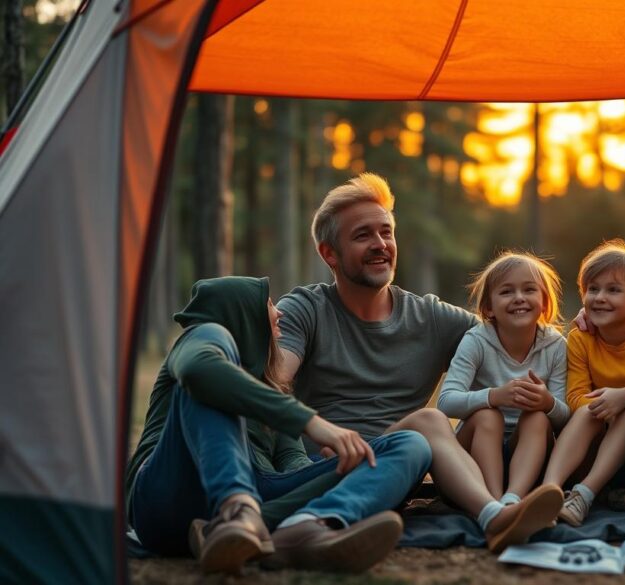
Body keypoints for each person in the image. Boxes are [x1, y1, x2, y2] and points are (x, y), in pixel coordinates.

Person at [276, 173, 562, 553]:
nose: (381, 245)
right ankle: (495, 517)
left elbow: (509, 328)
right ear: (329, 253)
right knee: (431, 419)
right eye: (363, 236)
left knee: (423, 431)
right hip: (327, 467)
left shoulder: (432, 318)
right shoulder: (304, 309)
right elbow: (273, 383)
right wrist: (308, 441)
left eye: (386, 233)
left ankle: (497, 512)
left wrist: (592, 327)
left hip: (400, 467)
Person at [125, 276, 432, 575]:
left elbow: (290, 461)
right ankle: (237, 510)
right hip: (167, 494)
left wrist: (331, 468)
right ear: (241, 314)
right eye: (268, 303)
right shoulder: (203, 336)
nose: (279, 312)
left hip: (257, 492)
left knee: (408, 445)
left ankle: (303, 526)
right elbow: (199, 370)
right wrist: (310, 422)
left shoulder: (272, 389)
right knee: (206, 386)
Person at [541, 240, 625, 526]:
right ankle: (548, 492)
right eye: (593, 289)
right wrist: (607, 409)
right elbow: (575, 397)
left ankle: (585, 496)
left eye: (613, 290)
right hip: (590, 451)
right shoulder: (580, 338)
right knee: (590, 410)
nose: (599, 297)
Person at [437, 252, 571, 504]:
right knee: (488, 415)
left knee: (538, 418)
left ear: (544, 301)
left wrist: (547, 403)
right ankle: (492, 502)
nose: (519, 298)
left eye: (529, 289)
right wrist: (494, 396)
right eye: (506, 291)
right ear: (489, 307)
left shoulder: (556, 346)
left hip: (530, 456)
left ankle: (513, 499)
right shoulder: (477, 340)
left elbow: (565, 417)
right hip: (476, 453)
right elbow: (445, 401)